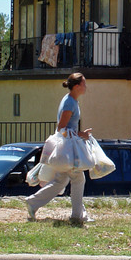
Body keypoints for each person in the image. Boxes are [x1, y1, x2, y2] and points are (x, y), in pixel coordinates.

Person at [25, 72, 94, 223]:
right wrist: (81, 134)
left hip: (67, 148)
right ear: (76, 86)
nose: (86, 87)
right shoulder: (70, 103)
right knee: (78, 179)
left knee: (62, 180)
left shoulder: (71, 101)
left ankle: (33, 203)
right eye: (84, 84)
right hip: (68, 149)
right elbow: (62, 127)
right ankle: (77, 215)